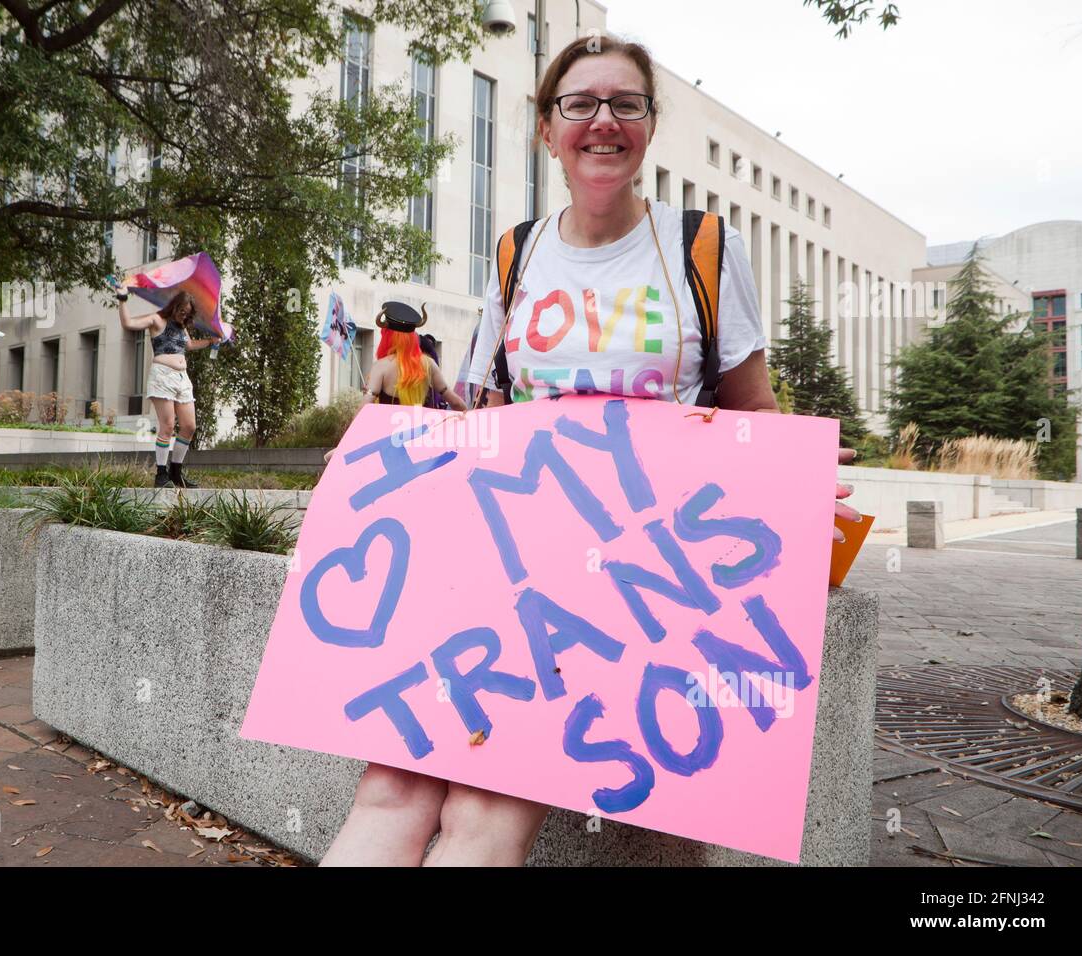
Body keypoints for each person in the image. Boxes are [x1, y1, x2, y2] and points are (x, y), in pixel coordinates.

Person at [321, 33, 863, 867]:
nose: (602, 121)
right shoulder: (517, 253)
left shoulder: (704, 247)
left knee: (484, 810)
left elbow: (754, 413)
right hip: (506, 567)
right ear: (548, 128)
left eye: (625, 103)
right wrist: (378, 468)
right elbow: (488, 425)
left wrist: (795, 488)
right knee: (389, 788)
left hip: (632, 592)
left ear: (649, 123)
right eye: (580, 104)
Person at [115, 287, 219, 488]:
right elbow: (128, 323)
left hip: (182, 378)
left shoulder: (181, 326)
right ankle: (161, 474)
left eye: (187, 314)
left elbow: (188, 346)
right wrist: (122, 299)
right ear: (174, 306)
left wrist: (209, 341)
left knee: (189, 426)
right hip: (162, 377)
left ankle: (176, 473)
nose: (184, 315)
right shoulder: (156, 320)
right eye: (182, 311)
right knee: (168, 426)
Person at [363, 302, 467, 412]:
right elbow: (456, 403)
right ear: (413, 337)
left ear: (387, 335)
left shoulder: (381, 366)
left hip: (389, 428)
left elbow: (365, 407)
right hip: (423, 428)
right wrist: (468, 415)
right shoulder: (429, 364)